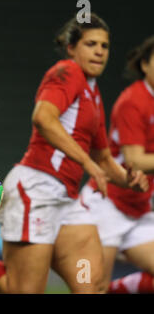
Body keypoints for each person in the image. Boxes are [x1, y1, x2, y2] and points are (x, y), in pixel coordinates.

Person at [0, 13, 150, 294]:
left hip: (67, 204)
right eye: (91, 44)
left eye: (104, 46)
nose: (100, 51)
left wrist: (130, 180)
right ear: (71, 48)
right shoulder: (66, 72)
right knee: (25, 290)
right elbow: (43, 118)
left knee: (91, 285)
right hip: (36, 191)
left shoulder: (94, 94)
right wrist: (86, 162)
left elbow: (104, 159)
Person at [78, 35, 154, 294]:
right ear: (145, 64)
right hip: (107, 204)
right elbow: (135, 161)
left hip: (140, 208)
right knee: (91, 286)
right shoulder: (135, 100)